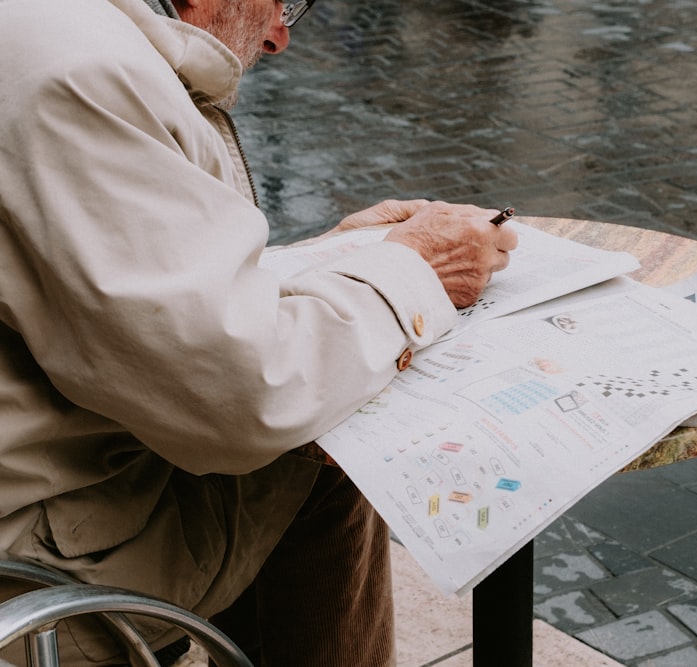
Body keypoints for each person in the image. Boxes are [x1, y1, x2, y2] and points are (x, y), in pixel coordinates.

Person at [0, 0, 518, 665]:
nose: (278, 37)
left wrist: (341, 265)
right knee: (323, 443)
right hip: (32, 564)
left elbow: (122, 291)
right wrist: (417, 271)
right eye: (287, 3)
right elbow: (245, 396)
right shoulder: (83, 75)